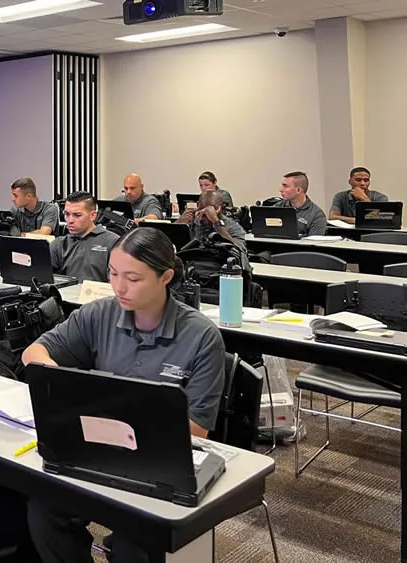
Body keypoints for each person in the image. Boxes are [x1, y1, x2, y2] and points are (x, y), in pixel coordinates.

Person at [21, 228, 225, 563]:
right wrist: (64, 390)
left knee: (135, 545)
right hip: (96, 449)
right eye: (113, 274)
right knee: (43, 511)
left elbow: (196, 429)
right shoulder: (100, 313)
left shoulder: (201, 337)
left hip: (158, 462)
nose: (119, 286)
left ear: (166, 277)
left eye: (133, 277)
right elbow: (34, 353)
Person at [50, 191, 118, 282]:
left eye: (77, 215)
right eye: (66, 214)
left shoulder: (113, 242)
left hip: (100, 295)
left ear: (92, 215)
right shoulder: (58, 244)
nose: (70, 220)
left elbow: (117, 283)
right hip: (65, 294)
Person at [176, 190, 246, 248]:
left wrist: (216, 222)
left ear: (221, 208)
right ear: (198, 205)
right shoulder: (192, 222)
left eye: (210, 212)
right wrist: (178, 225)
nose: (206, 217)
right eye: (202, 210)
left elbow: (238, 251)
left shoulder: (233, 227)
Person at [274, 171, 327, 236]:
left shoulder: (316, 215)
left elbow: (314, 244)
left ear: (298, 190)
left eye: (285, 186)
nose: (281, 190)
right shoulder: (277, 208)